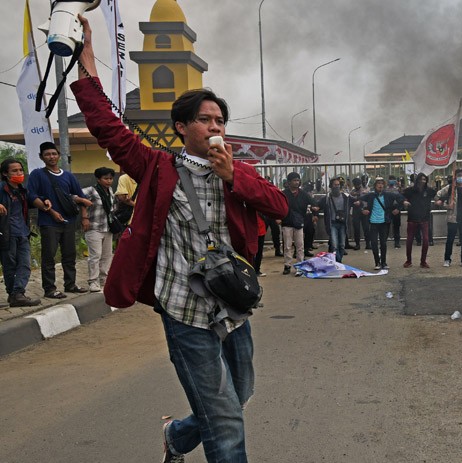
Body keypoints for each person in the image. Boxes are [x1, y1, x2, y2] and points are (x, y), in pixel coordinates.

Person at [71, 17, 289, 463]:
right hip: (183, 308)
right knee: (225, 418)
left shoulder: (239, 171)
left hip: (230, 304)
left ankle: (175, 437)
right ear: (182, 128)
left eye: (220, 121)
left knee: (239, 394)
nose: (216, 128)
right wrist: (85, 56)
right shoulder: (154, 167)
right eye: (206, 120)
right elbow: (107, 127)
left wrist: (234, 179)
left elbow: (281, 207)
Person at [27, 141, 92, 299]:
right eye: (47, 154)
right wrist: (50, 212)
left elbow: (81, 198)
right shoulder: (37, 174)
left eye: (54, 153)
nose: (51, 157)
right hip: (49, 223)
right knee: (49, 256)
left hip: (69, 221)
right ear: (41, 157)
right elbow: (32, 196)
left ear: (59, 155)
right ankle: (49, 289)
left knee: (69, 255)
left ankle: (71, 284)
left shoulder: (68, 176)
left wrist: (84, 218)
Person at [0, 158, 41, 307]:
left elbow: (33, 200)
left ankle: (17, 293)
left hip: (23, 232)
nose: (19, 173)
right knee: (9, 265)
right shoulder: (2, 188)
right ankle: (14, 295)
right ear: (5, 173)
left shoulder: (22, 190)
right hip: (6, 233)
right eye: (14, 171)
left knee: (25, 264)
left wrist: (45, 202)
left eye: (20, 170)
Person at [81, 167, 117, 292]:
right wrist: (84, 216)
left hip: (107, 227)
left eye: (111, 178)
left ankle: (104, 280)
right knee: (95, 255)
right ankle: (93, 281)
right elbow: (76, 197)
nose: (108, 181)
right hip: (94, 227)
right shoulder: (91, 190)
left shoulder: (110, 191)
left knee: (107, 255)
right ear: (98, 179)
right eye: (105, 178)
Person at [436, 169, 462, 267]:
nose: (461, 177)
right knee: (450, 240)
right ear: (455, 176)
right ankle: (447, 259)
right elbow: (437, 197)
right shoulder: (450, 188)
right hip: (452, 217)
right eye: (459, 175)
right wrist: (445, 205)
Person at [360, 177, 404, 270]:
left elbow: (401, 199)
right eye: (378, 184)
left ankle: (383, 262)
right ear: (375, 186)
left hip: (384, 222)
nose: (380, 185)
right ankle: (377, 262)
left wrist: (398, 209)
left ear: (384, 185)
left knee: (383, 243)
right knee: (374, 243)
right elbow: (359, 201)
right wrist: (362, 210)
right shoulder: (370, 196)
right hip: (373, 222)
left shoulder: (389, 195)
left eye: (381, 183)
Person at [280, 172, 316, 275]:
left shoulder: (303, 194)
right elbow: (278, 206)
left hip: (299, 222)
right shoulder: (284, 194)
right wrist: (278, 217)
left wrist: (315, 210)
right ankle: (287, 265)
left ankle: (300, 265)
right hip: (287, 222)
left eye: (298, 180)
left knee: (300, 245)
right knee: (287, 246)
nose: (296, 182)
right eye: (294, 180)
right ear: (289, 182)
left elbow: (313, 202)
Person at [401, 173, 436, 268]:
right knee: (409, 240)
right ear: (417, 180)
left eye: (424, 179)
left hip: (424, 218)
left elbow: (438, 195)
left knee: (425, 240)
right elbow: (400, 196)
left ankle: (423, 261)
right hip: (412, 218)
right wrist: (404, 201)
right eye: (420, 179)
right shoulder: (410, 190)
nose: (422, 181)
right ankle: (408, 260)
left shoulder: (429, 191)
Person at [316, 177, 351, 263]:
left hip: (343, 223)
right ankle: (338, 262)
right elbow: (317, 205)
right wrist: (315, 211)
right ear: (331, 186)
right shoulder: (327, 198)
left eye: (338, 185)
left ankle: (338, 261)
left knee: (342, 245)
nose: (337, 187)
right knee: (334, 245)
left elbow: (356, 201)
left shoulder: (345, 196)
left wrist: (360, 204)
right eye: (335, 185)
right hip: (332, 224)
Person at [349, 177, 370, 250]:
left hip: (364, 211)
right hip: (356, 211)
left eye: (358, 184)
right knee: (356, 228)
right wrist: (354, 203)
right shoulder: (352, 192)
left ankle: (368, 244)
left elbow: (367, 200)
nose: (357, 186)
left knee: (366, 228)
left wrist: (361, 203)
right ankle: (357, 244)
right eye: (355, 184)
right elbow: (350, 201)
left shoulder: (365, 191)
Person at [386, 175, 403, 248]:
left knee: (396, 226)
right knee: (386, 226)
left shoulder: (399, 189)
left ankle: (397, 242)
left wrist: (398, 209)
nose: (391, 181)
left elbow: (402, 200)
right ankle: (384, 242)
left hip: (396, 208)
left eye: (393, 179)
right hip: (388, 209)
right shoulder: (385, 189)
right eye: (390, 179)